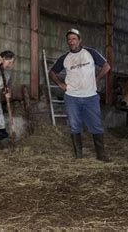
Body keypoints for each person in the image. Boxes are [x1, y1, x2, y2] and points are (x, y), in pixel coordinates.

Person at [49, 28, 111, 161]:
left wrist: (97, 78)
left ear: (80, 40)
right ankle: (78, 156)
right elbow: (52, 72)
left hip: (90, 96)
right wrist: (60, 84)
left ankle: (101, 155)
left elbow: (106, 66)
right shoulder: (65, 58)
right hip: (72, 97)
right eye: (69, 39)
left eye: (74, 39)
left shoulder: (90, 53)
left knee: (96, 124)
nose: (71, 42)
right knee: (75, 125)